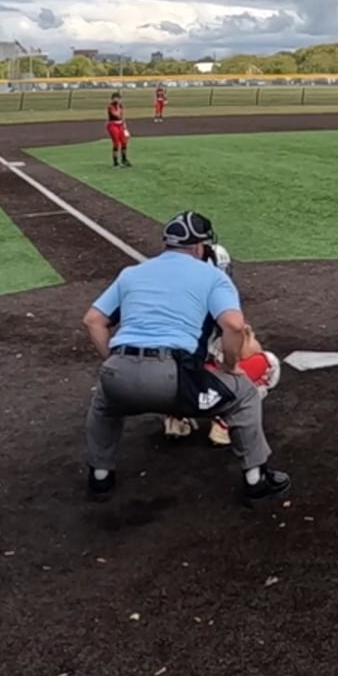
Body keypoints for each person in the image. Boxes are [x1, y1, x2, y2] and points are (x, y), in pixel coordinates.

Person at [80, 211, 289, 504]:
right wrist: (230, 367)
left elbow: (93, 320)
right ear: (199, 247)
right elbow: (234, 326)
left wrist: (113, 361)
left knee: (104, 404)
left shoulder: (131, 273)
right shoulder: (213, 276)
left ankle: (100, 476)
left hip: (119, 372)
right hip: (173, 375)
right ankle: (256, 478)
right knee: (244, 395)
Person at [159, 243, 283, 447]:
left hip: (159, 383)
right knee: (269, 364)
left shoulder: (167, 294)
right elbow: (246, 350)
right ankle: (225, 422)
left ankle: (175, 417)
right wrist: (246, 339)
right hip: (200, 385)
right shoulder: (220, 300)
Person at [106, 93, 132, 168]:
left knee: (124, 142)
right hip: (112, 125)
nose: (117, 100)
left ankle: (124, 159)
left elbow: (121, 116)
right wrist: (118, 108)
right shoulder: (110, 106)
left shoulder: (120, 106)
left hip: (120, 124)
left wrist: (124, 125)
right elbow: (116, 115)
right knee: (116, 143)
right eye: (115, 98)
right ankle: (115, 162)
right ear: (112, 99)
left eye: (118, 98)